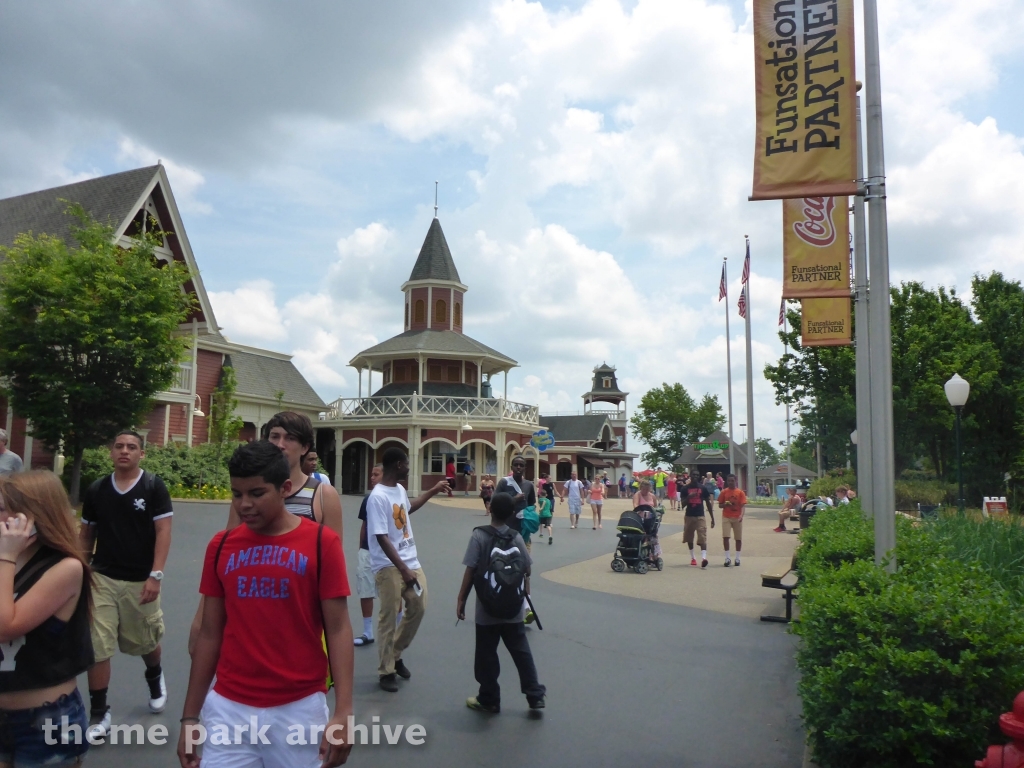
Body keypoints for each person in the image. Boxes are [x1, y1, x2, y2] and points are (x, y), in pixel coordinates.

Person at [176, 441, 354, 768]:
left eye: (257, 493)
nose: (245, 504)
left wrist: (343, 712)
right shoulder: (221, 547)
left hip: (298, 707)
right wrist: (189, 717)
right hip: (229, 707)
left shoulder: (320, 543)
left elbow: (339, 628)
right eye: (236, 494)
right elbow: (210, 635)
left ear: (284, 488)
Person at [80, 430, 172, 741]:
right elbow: (86, 537)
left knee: (144, 642)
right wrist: (80, 572)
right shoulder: (97, 490)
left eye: (132, 447)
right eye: (118, 445)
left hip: (140, 580)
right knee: (98, 646)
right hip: (101, 578)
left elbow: (163, 532)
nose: (124, 451)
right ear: (111, 451)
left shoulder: (153, 486)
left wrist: (155, 575)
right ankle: (98, 712)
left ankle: (155, 676)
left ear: (141, 454)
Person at [0, 471, 93, 766]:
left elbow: (5, 627)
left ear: (32, 517)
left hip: (46, 722)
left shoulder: (65, 569)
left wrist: (6, 556)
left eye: (2, 509)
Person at [366, 448, 448, 693]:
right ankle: (386, 670)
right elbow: (380, 536)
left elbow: (407, 509)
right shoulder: (377, 497)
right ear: (399, 465)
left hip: (410, 560)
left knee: (419, 606)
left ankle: (395, 653)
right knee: (388, 617)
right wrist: (402, 568)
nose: (410, 466)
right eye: (408, 463)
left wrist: (432, 491)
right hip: (389, 566)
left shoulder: (399, 490)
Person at [458, 493, 546, 713]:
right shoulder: (516, 537)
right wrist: (524, 594)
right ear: (509, 515)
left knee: (486, 655)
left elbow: (470, 569)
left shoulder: (479, 536)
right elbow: (527, 568)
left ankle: (489, 698)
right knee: (521, 652)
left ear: (491, 509)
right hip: (513, 607)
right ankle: (534, 695)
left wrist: (461, 599)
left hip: (487, 608)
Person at [354, 464, 383, 647]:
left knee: (392, 592)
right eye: (371, 474)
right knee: (365, 590)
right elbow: (364, 525)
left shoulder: (393, 497)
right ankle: (368, 631)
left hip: (386, 553)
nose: (371, 477)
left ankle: (397, 628)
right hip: (367, 550)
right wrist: (361, 549)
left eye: (376, 474)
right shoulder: (367, 499)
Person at [495, 457, 536, 536]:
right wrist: (514, 499)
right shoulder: (504, 482)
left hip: (523, 528)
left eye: (521, 465)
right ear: (511, 467)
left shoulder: (529, 485)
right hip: (505, 527)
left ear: (525, 468)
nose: (518, 467)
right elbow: (494, 503)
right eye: (516, 465)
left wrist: (531, 518)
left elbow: (531, 505)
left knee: (523, 548)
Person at [684, 473, 714, 568]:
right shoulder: (685, 489)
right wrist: (689, 497)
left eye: (697, 475)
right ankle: (693, 558)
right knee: (689, 537)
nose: (695, 477)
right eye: (694, 475)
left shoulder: (703, 488)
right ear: (690, 477)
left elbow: (708, 503)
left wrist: (712, 518)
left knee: (702, 536)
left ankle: (704, 558)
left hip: (700, 515)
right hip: (689, 515)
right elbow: (682, 504)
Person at [717, 474, 747, 567]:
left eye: (732, 481)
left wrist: (741, 516)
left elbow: (743, 506)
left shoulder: (740, 492)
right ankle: (727, 557)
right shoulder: (724, 492)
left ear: (735, 481)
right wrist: (725, 504)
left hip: (737, 516)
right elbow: (720, 504)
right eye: (729, 481)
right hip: (726, 516)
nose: (730, 482)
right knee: (726, 536)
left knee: (738, 538)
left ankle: (737, 558)